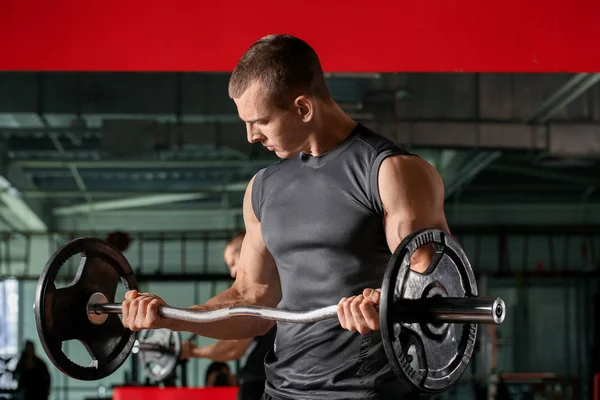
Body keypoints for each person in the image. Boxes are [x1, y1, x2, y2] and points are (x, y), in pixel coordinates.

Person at [121, 34, 450, 399]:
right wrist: (173, 318)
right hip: (280, 391)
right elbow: (251, 299)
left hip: (369, 393)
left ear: (303, 108)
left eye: (260, 121)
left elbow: (436, 285)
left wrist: (388, 304)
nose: (250, 136)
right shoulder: (263, 188)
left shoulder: (389, 172)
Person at [181, 231, 276, 399]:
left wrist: (194, 352)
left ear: (247, 252)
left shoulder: (266, 293)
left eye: (233, 263)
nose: (232, 272)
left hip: (266, 383)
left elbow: (232, 349)